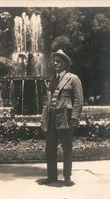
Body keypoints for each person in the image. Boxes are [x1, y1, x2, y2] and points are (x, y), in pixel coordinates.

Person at [41, 49, 84, 186]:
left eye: (58, 61)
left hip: (66, 119)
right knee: (50, 149)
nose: (55, 63)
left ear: (65, 63)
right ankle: (52, 176)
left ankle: (67, 177)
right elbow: (47, 102)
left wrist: (75, 118)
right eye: (54, 61)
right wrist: (44, 118)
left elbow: (79, 100)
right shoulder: (53, 80)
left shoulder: (73, 79)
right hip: (52, 119)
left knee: (67, 149)